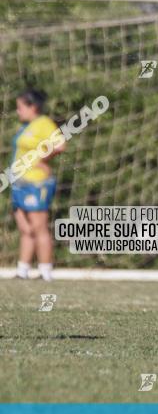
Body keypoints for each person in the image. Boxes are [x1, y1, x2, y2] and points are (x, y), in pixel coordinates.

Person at [10, 89, 65, 282]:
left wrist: (43, 160)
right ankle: (22, 270)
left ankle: (45, 271)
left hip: (36, 182)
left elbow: (60, 145)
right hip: (20, 181)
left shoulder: (43, 124)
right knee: (25, 229)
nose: (18, 111)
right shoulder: (27, 126)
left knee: (39, 227)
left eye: (20, 107)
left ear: (33, 107)